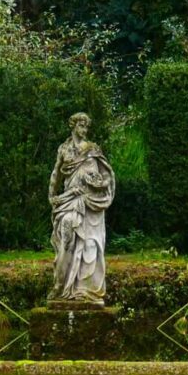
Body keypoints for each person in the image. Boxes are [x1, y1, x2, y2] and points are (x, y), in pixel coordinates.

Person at [48, 112, 115, 304]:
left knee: (90, 245)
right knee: (66, 239)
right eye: (81, 126)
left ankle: (84, 291)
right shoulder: (64, 149)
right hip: (70, 199)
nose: (84, 130)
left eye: (86, 127)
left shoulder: (93, 149)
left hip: (90, 202)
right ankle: (61, 285)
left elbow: (107, 176)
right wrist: (52, 196)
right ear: (73, 126)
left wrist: (98, 182)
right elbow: (56, 174)